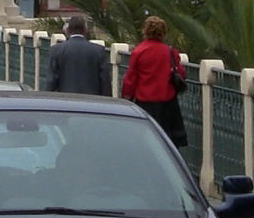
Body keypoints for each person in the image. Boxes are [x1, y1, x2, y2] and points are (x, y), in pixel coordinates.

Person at [120, 14, 187, 146]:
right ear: (164, 32)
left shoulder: (139, 51)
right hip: (168, 103)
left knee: (145, 140)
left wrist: (126, 97)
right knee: (167, 141)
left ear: (145, 31)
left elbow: (131, 79)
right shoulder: (170, 52)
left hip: (145, 103)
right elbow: (181, 73)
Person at [43, 14, 112, 96]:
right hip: (92, 103)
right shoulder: (98, 51)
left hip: (66, 102)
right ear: (85, 30)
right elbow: (105, 81)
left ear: (68, 30)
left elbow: (51, 81)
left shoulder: (57, 50)